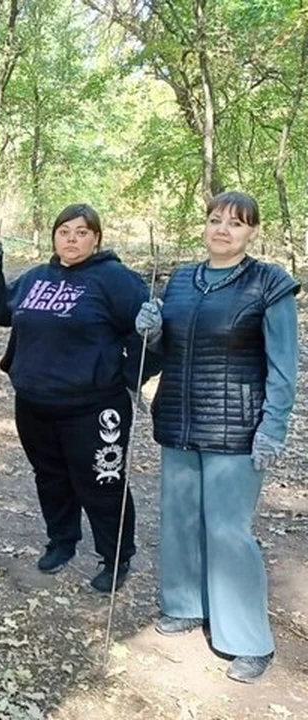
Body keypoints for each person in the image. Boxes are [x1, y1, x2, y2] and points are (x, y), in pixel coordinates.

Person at [135, 191, 299, 683]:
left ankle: (248, 639)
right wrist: (152, 333)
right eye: (214, 220)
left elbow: (284, 367)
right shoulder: (183, 280)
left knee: (228, 531)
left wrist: (273, 427)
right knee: (180, 520)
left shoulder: (269, 283)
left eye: (236, 223)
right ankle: (185, 605)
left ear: (252, 232)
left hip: (238, 429)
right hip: (181, 420)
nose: (222, 229)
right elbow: (164, 354)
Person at [0, 204, 155, 592]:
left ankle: (116, 556)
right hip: (35, 402)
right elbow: (1, 310)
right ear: (53, 236)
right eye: (64, 231)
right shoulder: (37, 277)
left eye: (81, 232)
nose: (71, 239)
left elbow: (150, 334)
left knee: (101, 481)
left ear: (97, 239)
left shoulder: (116, 280)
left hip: (94, 406)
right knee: (51, 477)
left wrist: (131, 374)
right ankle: (62, 541)